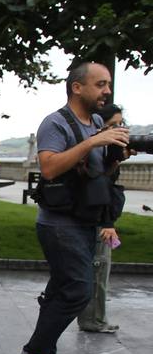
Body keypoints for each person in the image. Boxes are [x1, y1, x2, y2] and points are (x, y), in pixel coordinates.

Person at [18, 62, 129, 354]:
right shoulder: (55, 123)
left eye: (108, 84)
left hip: (85, 221)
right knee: (79, 291)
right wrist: (93, 143)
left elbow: (95, 173)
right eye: (100, 84)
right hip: (58, 224)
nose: (106, 91)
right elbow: (49, 168)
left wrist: (113, 156)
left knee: (59, 291)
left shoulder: (96, 122)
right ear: (77, 87)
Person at [78, 103, 125, 334]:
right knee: (98, 270)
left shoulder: (103, 153)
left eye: (121, 125)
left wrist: (117, 158)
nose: (119, 130)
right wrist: (108, 223)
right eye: (113, 125)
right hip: (99, 222)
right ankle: (93, 320)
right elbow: (101, 189)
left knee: (97, 270)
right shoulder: (96, 152)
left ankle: (95, 317)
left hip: (99, 220)